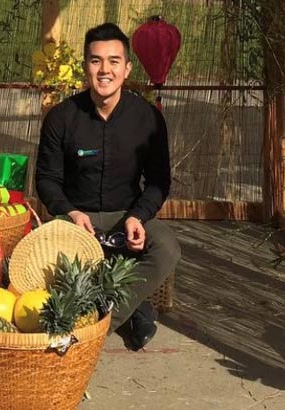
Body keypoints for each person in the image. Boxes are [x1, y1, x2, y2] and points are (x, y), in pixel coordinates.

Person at [35, 22, 182, 351]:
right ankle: (131, 306)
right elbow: (46, 179)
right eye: (96, 60)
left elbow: (159, 181)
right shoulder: (61, 117)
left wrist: (138, 216)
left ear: (127, 67)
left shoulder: (148, 119)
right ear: (85, 66)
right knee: (41, 258)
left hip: (124, 217)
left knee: (167, 246)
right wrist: (69, 212)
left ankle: (94, 328)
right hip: (76, 220)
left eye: (114, 61)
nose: (105, 70)